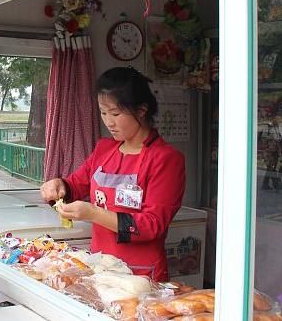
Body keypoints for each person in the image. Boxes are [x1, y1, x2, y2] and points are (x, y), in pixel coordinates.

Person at [41, 67, 185, 282]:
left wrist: (94, 213)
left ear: (141, 110)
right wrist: (58, 186)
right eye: (103, 112)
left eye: (116, 114)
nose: (109, 122)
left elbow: (151, 225)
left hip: (140, 275)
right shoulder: (104, 149)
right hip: (100, 267)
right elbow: (75, 185)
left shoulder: (166, 159)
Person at [259, 116, 282, 191]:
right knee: (271, 167)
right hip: (269, 150)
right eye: (275, 119)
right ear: (273, 119)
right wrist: (271, 138)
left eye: (278, 119)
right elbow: (263, 138)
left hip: (277, 150)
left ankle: (265, 184)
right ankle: (277, 184)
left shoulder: (281, 128)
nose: (277, 120)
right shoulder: (268, 127)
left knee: (271, 168)